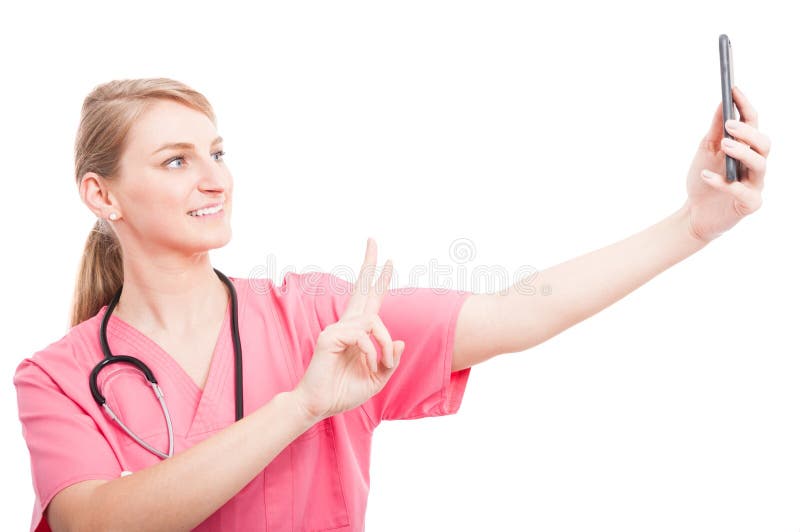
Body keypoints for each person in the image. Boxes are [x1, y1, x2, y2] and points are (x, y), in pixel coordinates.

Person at [13, 76, 770, 532]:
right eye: (177, 160)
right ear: (100, 193)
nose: (215, 178)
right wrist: (301, 405)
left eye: (217, 151)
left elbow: (516, 315)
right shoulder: (55, 376)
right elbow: (96, 523)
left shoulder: (315, 316)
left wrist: (692, 226)